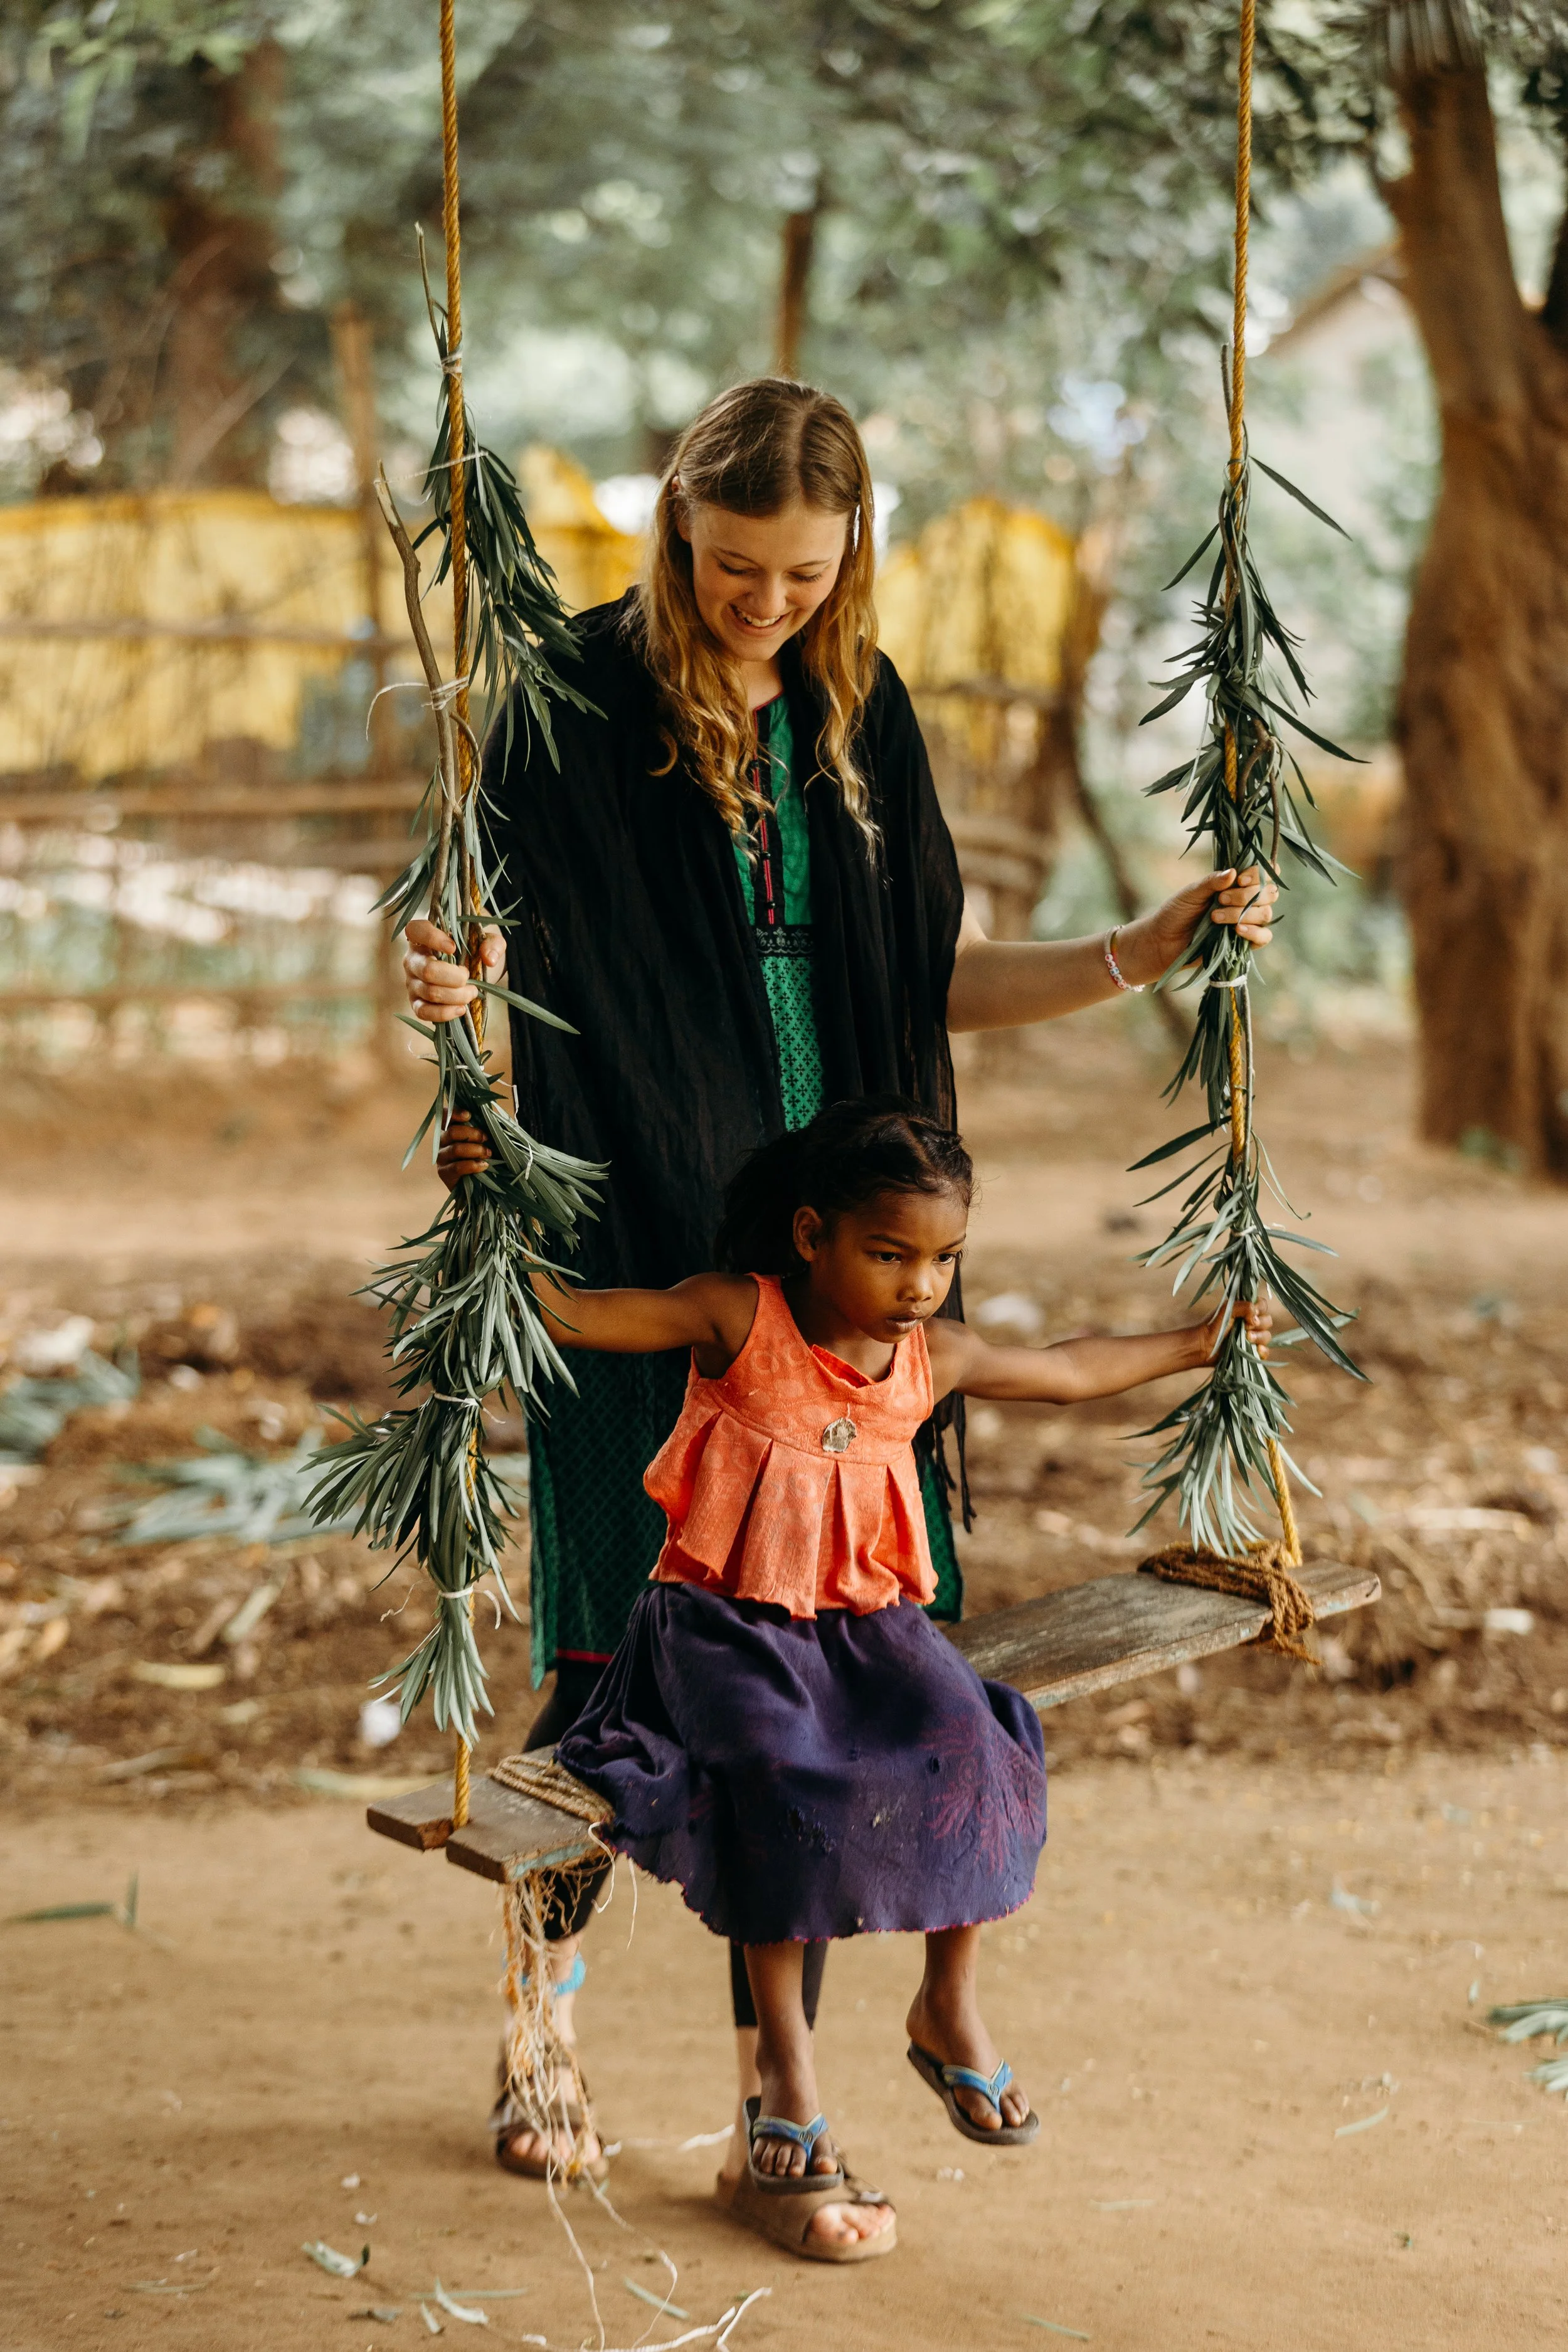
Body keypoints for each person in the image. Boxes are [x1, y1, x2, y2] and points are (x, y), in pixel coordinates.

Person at [402, 373, 1278, 2250]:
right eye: (732, 568)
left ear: (848, 553)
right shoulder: (564, 705)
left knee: (819, 1676)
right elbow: (490, 956)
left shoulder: (859, 710)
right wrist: (452, 1014)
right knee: (605, 1653)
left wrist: (1150, 944)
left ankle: (768, 2107)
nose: (764, 603)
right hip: (660, 1249)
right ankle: (536, 2029)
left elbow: (926, 978)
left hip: (844, 1271)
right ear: (672, 533)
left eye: (805, 572)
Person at [438, 1094, 1271, 2262]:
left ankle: (949, 2003)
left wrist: (1197, 1343)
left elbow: (1072, 1369)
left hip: (870, 1626)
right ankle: (787, 2069)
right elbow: (574, 1316)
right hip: (724, 1628)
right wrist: (476, 1204)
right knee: (780, 1787)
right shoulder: (739, 1317)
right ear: (812, 1232)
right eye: (891, 1254)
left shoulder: (930, 1357)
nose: (921, 1283)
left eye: (943, 1257)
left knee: (984, 1742)